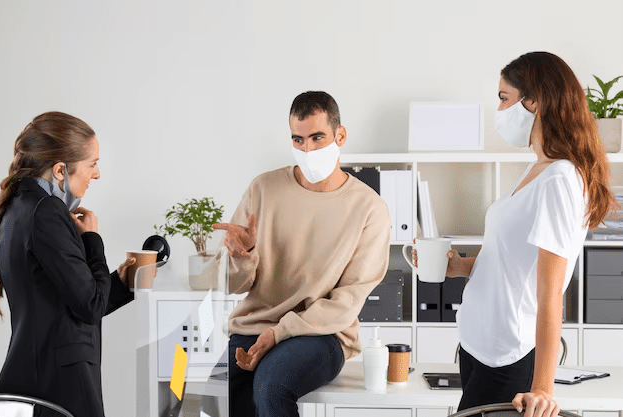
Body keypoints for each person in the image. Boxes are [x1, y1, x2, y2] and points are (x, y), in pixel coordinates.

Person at [414, 52, 617, 417]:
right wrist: (460, 268)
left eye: (504, 98)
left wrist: (542, 387)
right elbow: (511, 260)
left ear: (534, 101)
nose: (500, 109)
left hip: (506, 358)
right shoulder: (537, 168)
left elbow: (550, 290)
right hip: (479, 348)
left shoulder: (559, 180)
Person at [213, 91, 391, 417]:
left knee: (271, 385)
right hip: (253, 326)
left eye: (317, 137)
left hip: (321, 334)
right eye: (298, 139)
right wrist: (243, 254)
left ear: (340, 135)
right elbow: (230, 285)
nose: (307, 150)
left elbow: (347, 299)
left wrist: (279, 332)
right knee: (215, 394)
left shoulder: (369, 209)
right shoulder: (263, 189)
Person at [0, 112, 136, 417]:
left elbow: (69, 303)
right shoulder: (47, 211)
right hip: (59, 388)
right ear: (61, 170)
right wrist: (93, 241)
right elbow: (89, 305)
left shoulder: (16, 208)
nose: (97, 174)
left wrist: (122, 282)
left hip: (36, 381)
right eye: (93, 164)